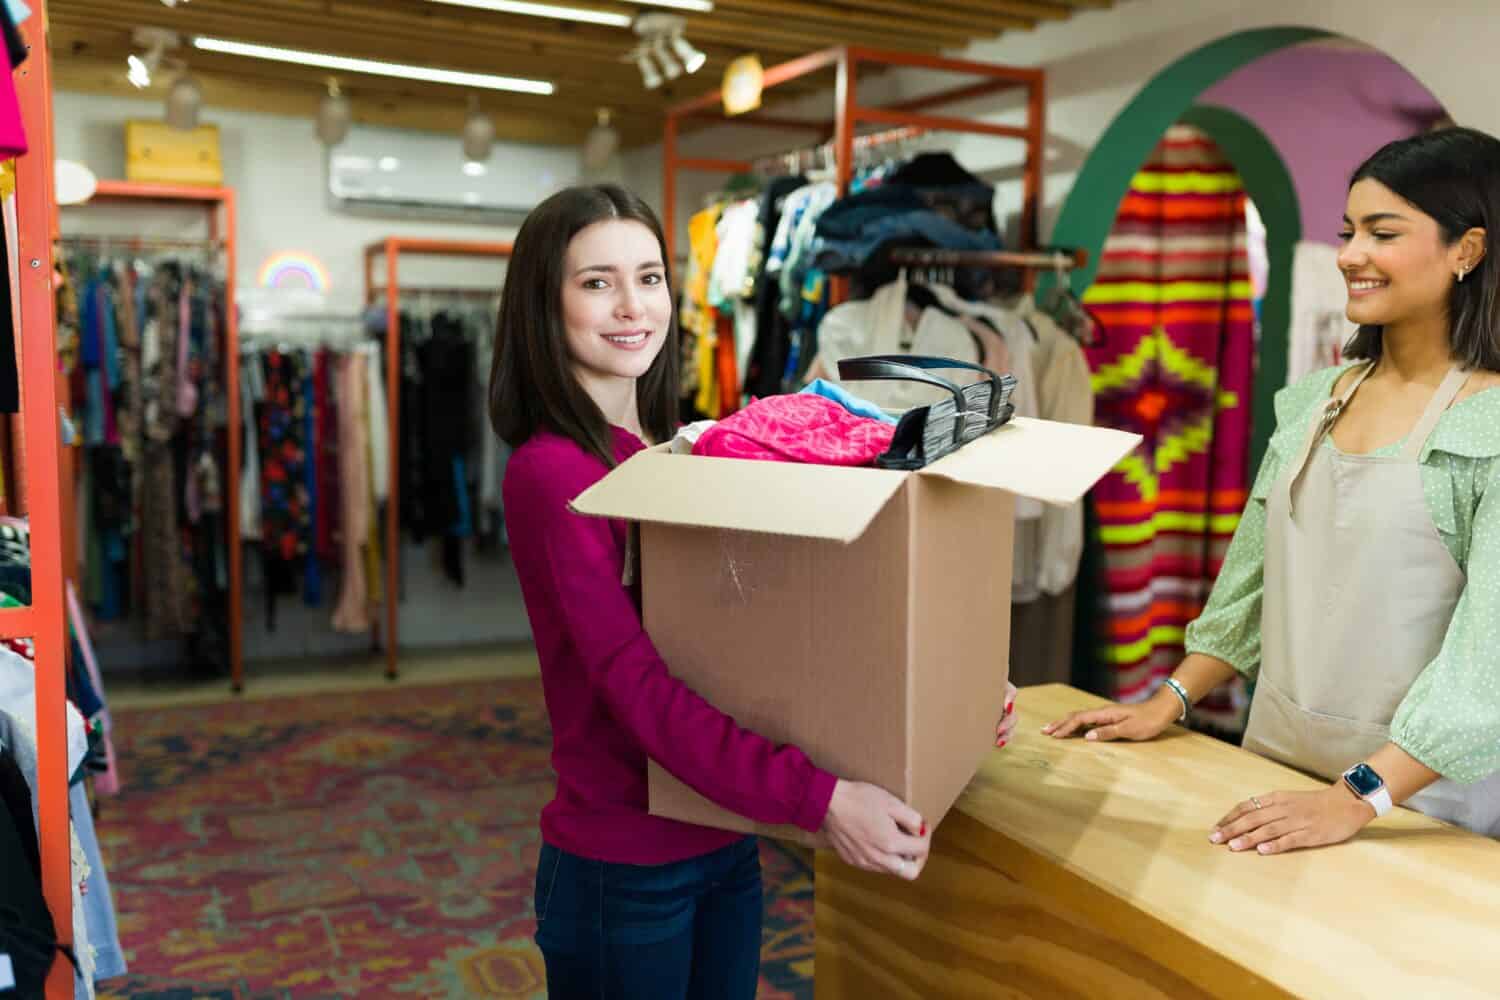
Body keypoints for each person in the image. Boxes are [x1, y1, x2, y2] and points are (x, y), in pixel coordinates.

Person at [491, 184, 992, 999]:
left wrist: (949, 692)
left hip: (723, 836)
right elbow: (638, 690)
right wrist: (818, 799)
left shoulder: (671, 450)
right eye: (596, 281)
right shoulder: (553, 473)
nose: (632, 305)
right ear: (543, 305)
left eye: (650, 277)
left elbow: (771, 637)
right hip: (627, 866)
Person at [1046, 127, 1500, 853]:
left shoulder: (1491, 428)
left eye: (1382, 233)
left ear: (1466, 251)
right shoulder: (1316, 401)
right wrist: (1171, 700)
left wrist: (1356, 800)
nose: (1351, 255)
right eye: (1349, 231)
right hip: (1276, 767)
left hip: (1414, 808)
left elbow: (1488, 668)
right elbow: (1249, 588)